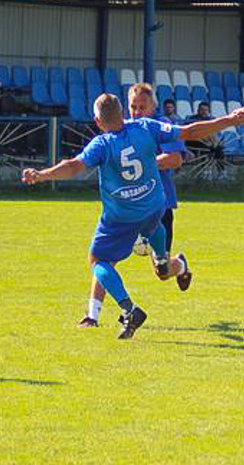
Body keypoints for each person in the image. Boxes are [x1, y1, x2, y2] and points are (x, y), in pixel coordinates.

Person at [21, 93, 244, 339]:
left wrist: (42, 174)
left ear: (97, 121)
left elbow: (73, 166)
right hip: (153, 205)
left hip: (120, 217)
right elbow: (190, 132)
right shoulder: (146, 127)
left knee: (99, 262)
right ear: (123, 112)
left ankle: (129, 310)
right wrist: (228, 120)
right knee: (154, 229)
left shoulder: (102, 144)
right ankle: (162, 257)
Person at [77, 84, 189, 329]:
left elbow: (176, 158)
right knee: (105, 259)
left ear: (153, 107)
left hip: (158, 206)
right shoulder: (123, 129)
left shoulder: (158, 126)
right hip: (126, 206)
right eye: (133, 107)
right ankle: (92, 315)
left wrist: (146, 162)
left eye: (142, 107)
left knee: (161, 272)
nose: (137, 112)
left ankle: (180, 265)